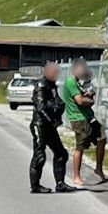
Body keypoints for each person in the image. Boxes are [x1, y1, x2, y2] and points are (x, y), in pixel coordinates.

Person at [62, 58, 108, 186]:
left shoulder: (78, 82)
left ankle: (98, 169)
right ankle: (76, 175)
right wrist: (90, 100)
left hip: (89, 117)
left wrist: (89, 94)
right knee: (81, 146)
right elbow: (80, 101)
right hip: (79, 119)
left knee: (102, 138)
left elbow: (83, 96)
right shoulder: (70, 82)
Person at [29, 61, 74, 194]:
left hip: (50, 125)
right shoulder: (41, 85)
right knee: (40, 155)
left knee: (61, 153)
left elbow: (57, 103)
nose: (56, 74)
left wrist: (57, 117)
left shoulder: (52, 85)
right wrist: (52, 120)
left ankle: (60, 184)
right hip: (40, 125)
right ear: (47, 71)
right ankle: (35, 186)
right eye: (54, 71)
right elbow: (41, 107)